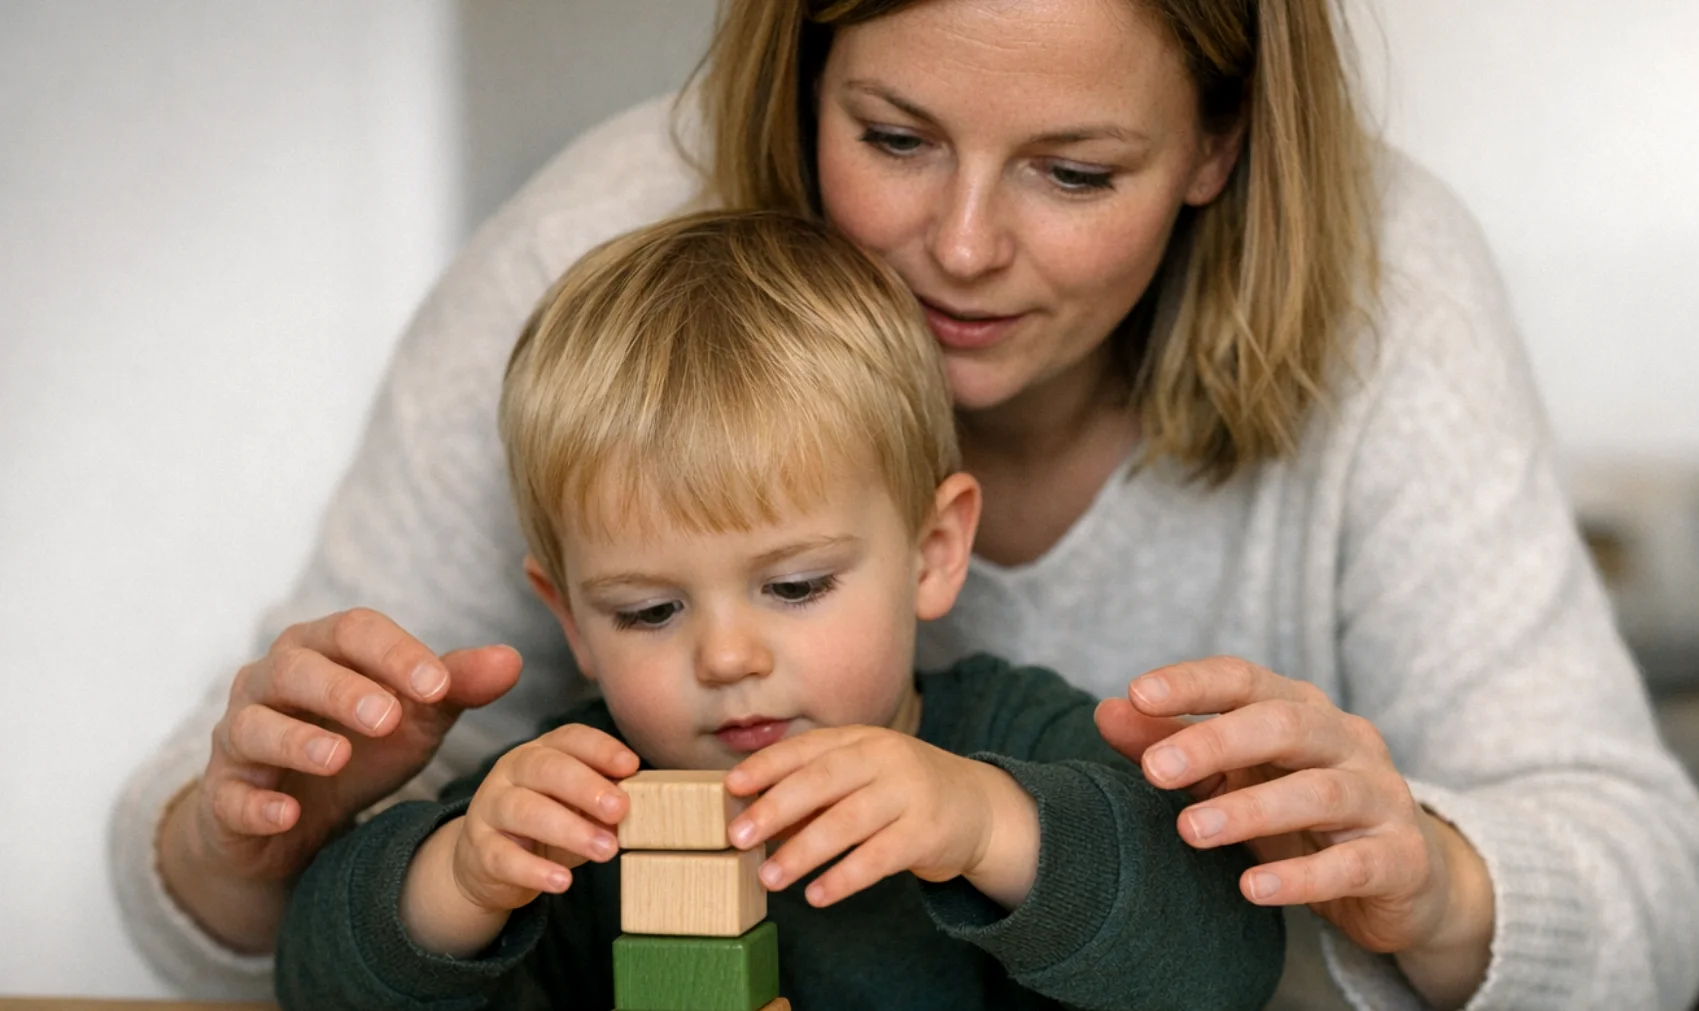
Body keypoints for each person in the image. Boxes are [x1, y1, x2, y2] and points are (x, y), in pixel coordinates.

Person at [113, 1, 1699, 1008]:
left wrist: (1434, 880)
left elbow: (1604, 895)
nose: (958, 247)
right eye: (891, 136)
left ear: (1219, 142)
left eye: (1074, 170)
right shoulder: (602, 284)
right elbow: (267, 932)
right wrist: (346, 844)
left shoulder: (1016, 726)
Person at [272, 209, 1285, 1010]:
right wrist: (457, 881)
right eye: (648, 611)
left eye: (795, 588)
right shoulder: (571, 807)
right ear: (570, 618)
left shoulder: (1016, 743)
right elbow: (311, 979)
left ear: (934, 555)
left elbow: (1228, 964)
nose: (726, 656)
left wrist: (982, 825)